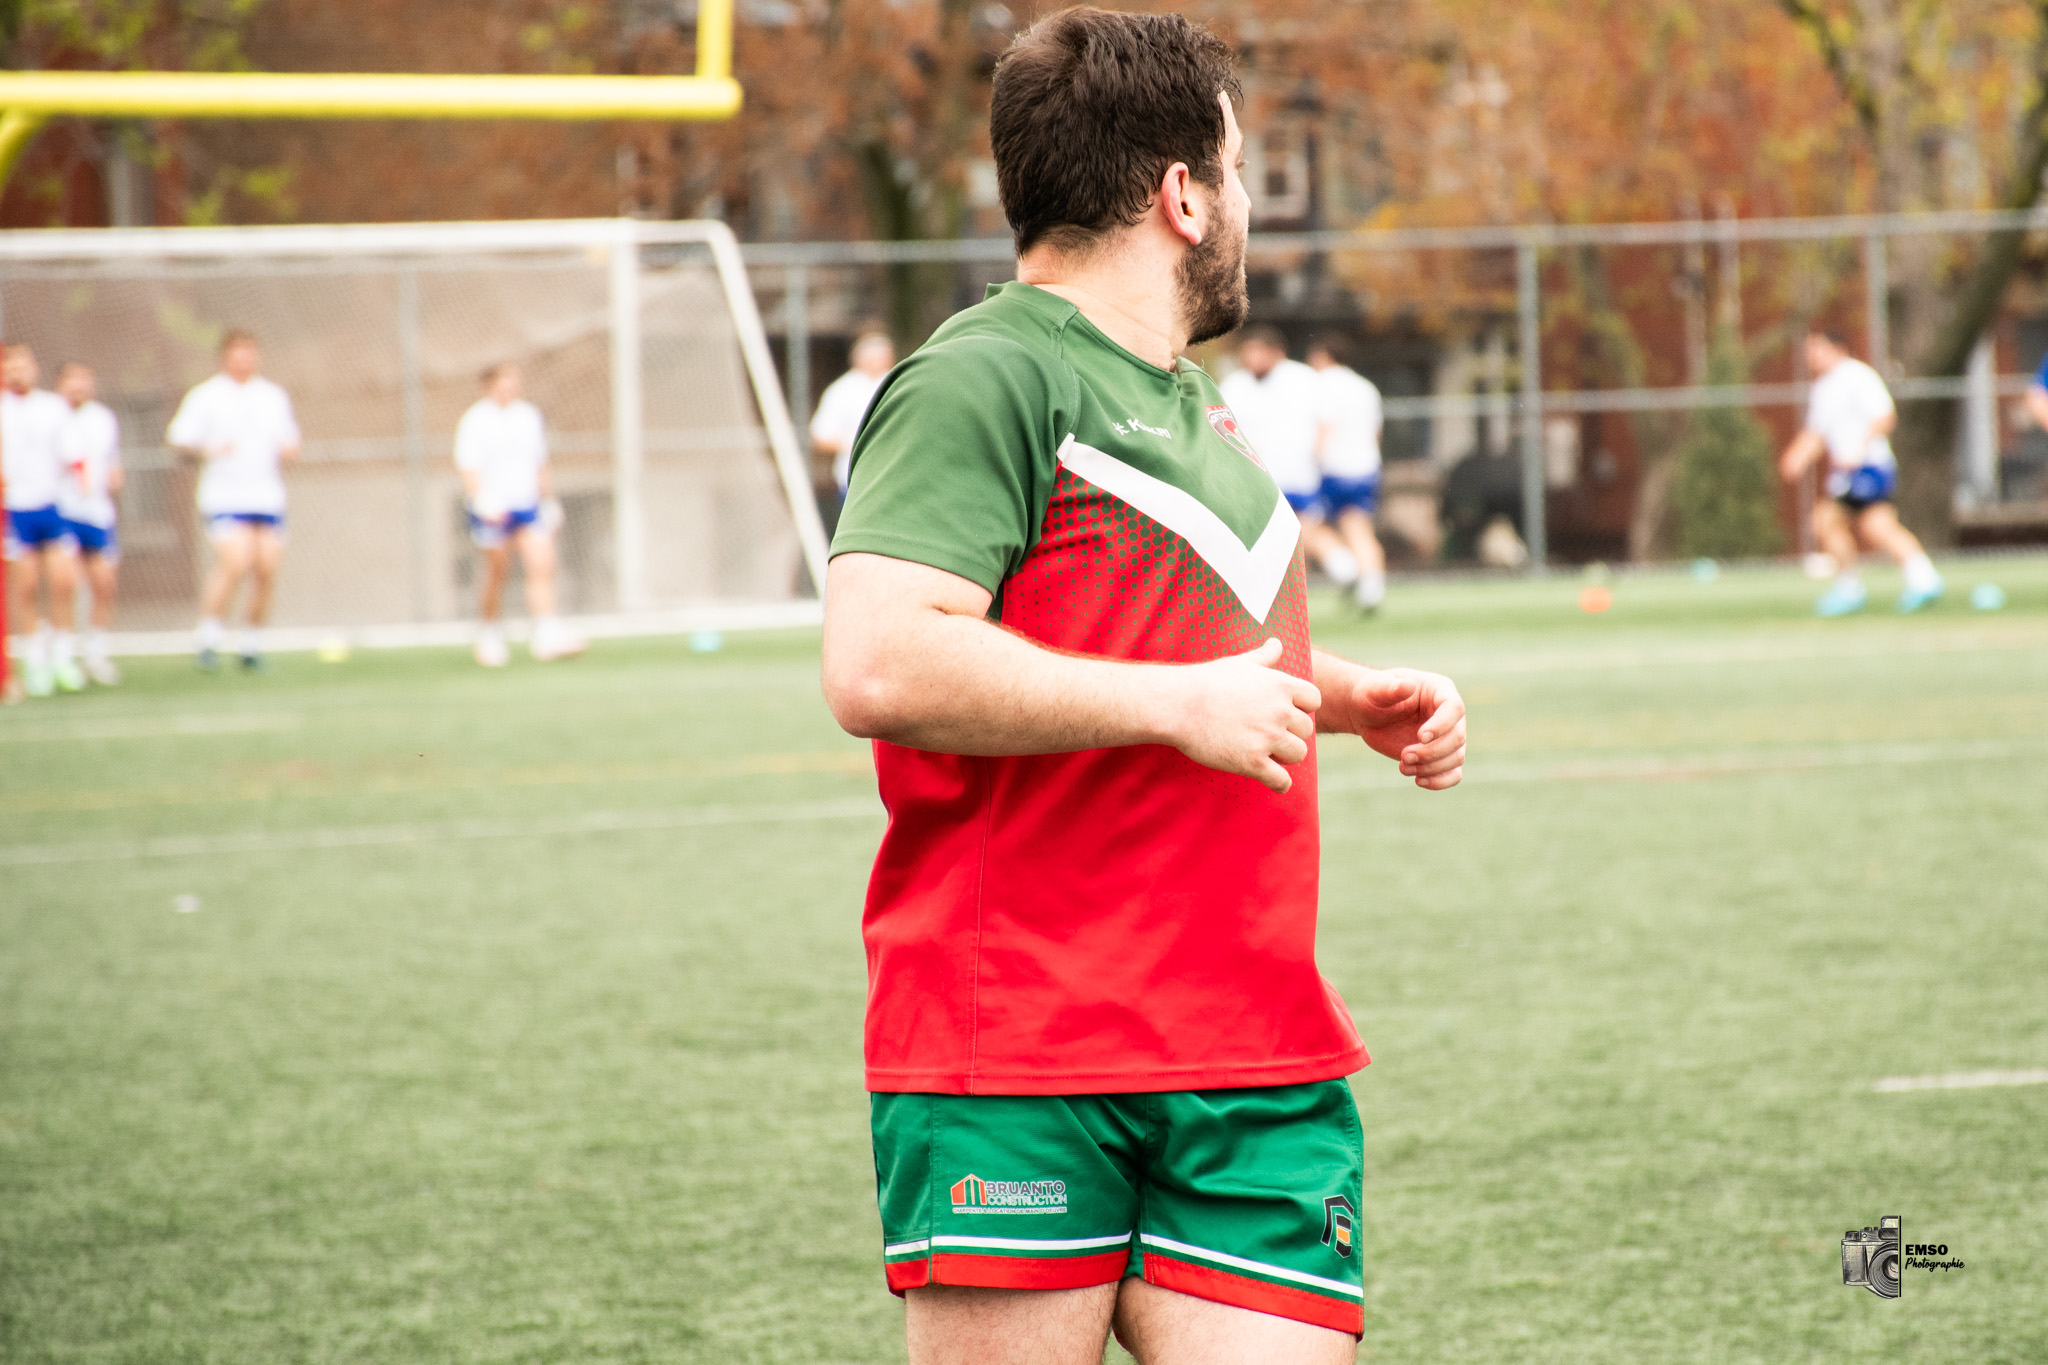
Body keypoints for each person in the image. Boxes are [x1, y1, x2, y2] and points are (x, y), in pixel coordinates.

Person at [821, 10, 1467, 1363]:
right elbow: (882, 655)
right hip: (1029, 1052)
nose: (1242, 208)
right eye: (1232, 174)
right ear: (1182, 195)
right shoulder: (983, 376)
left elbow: (1161, 630)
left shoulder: (1196, 405)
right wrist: (1176, 705)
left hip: (1253, 1049)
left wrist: (1338, 693)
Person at [1778, 328, 1943, 616]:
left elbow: (1884, 417)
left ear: (1837, 348)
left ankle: (1850, 589)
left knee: (1825, 521)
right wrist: (1797, 457)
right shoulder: (1822, 388)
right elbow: (1817, 433)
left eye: (1815, 349)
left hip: (1869, 467)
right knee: (1877, 527)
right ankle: (1923, 579)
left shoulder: (1858, 376)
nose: (1810, 356)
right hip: (1848, 471)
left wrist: (1859, 449)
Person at [167, 330, 300, 670]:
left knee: (266, 568)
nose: (244, 359)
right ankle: (209, 639)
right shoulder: (206, 396)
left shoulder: (272, 396)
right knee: (235, 562)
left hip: (266, 497)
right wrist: (208, 449)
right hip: (224, 496)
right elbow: (179, 439)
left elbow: (290, 441)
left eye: (249, 352)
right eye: (237, 353)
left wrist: (288, 450)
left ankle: (251, 645)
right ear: (225, 357)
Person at [453, 362, 584, 667]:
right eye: (505, 381)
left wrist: (548, 500)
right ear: (490, 385)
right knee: (497, 572)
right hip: (494, 509)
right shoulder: (476, 420)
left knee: (542, 565)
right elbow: (468, 465)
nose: (512, 386)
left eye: (515, 380)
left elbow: (540, 462)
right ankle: (489, 635)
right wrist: (481, 499)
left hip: (528, 505)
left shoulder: (528, 416)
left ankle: (547, 635)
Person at [1218, 326, 1361, 591]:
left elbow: (1327, 419)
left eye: (1257, 353)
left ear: (1275, 353)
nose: (1251, 360)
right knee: (1275, 532)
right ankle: (1339, 571)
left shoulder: (1302, 379)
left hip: (1297, 472)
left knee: (1304, 527)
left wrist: (1319, 453)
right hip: (1256, 474)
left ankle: (1344, 570)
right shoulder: (1237, 384)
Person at [3, 343, 84, 697]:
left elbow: (72, 455)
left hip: (52, 506)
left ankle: (63, 656)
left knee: (64, 581)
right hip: (16, 509)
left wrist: (83, 484)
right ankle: (34, 659)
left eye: (24, 363)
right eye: (11, 365)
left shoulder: (53, 408)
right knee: (27, 586)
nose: (18, 371)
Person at [55, 361, 123, 686]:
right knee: (66, 584)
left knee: (104, 584)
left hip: (97, 513)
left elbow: (111, 460)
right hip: (63, 511)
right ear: (60, 383)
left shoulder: (103, 418)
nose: (79, 385)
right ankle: (64, 654)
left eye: (85, 379)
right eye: (72, 379)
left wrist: (114, 474)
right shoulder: (51, 417)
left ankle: (96, 652)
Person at [1307, 335, 1387, 612]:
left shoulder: (1321, 385)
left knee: (1306, 526)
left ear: (1323, 356)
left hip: (1331, 467)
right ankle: (1371, 589)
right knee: (1358, 527)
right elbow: (1375, 433)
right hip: (1365, 467)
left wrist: (1313, 458)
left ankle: (1345, 568)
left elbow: (1324, 426)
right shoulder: (1366, 387)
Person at [811, 326, 896, 514]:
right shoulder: (842, 390)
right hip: (854, 478)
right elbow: (820, 435)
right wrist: (857, 444)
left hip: (893, 475)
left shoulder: (896, 383)